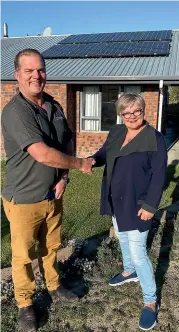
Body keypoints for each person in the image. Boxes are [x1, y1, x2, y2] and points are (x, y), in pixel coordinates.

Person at [1, 48, 94, 332]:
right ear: (17, 75)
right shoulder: (15, 111)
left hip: (53, 195)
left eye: (40, 70)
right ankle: (25, 304)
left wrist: (65, 176)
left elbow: (67, 138)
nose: (36, 76)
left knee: (51, 247)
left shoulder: (53, 105)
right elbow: (41, 153)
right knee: (23, 255)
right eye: (28, 71)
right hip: (24, 200)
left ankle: (54, 286)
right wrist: (80, 164)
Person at [92, 93, 167, 331]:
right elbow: (104, 153)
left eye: (137, 111)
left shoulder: (154, 138)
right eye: (126, 112)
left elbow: (159, 174)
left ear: (144, 111)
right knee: (122, 236)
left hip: (138, 204)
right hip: (116, 199)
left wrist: (150, 206)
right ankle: (128, 271)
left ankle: (149, 300)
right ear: (120, 114)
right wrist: (91, 160)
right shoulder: (116, 132)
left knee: (138, 253)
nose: (132, 116)